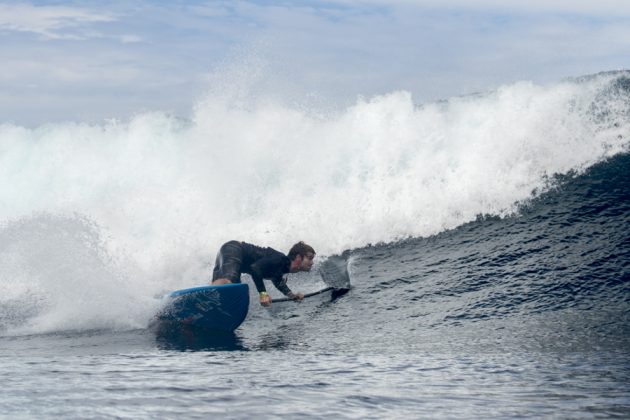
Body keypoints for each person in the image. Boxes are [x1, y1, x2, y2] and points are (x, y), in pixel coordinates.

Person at [211, 241, 316, 307]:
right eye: (310, 258)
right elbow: (255, 269)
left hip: (232, 253)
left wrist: (292, 296)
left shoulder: (281, 267)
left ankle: (206, 303)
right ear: (298, 257)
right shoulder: (279, 259)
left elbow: (278, 281)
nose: (312, 262)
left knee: (230, 291)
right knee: (229, 281)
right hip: (234, 249)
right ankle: (208, 299)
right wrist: (263, 294)